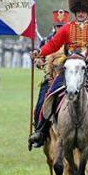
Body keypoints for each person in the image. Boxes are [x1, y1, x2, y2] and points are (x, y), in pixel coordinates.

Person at [28, 0, 88, 149]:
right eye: (78, 10)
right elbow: (53, 44)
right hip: (69, 69)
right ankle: (41, 129)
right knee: (50, 94)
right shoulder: (67, 28)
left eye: (84, 10)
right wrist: (39, 52)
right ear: (75, 11)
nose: (81, 13)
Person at [32, 9, 69, 140]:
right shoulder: (47, 40)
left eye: (62, 26)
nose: (60, 29)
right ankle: (39, 131)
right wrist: (39, 61)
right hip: (50, 79)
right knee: (41, 104)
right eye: (58, 26)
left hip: (70, 78)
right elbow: (39, 58)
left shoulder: (72, 40)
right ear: (54, 26)